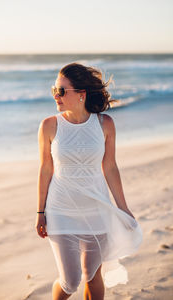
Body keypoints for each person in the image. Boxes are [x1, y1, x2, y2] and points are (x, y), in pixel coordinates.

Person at [35, 63, 143, 300]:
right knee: (70, 280)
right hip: (61, 210)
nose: (56, 95)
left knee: (93, 275)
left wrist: (123, 208)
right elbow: (45, 169)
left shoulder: (105, 124)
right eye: (54, 89)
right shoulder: (49, 125)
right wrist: (40, 212)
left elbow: (110, 167)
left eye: (62, 91)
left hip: (96, 210)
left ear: (81, 95)